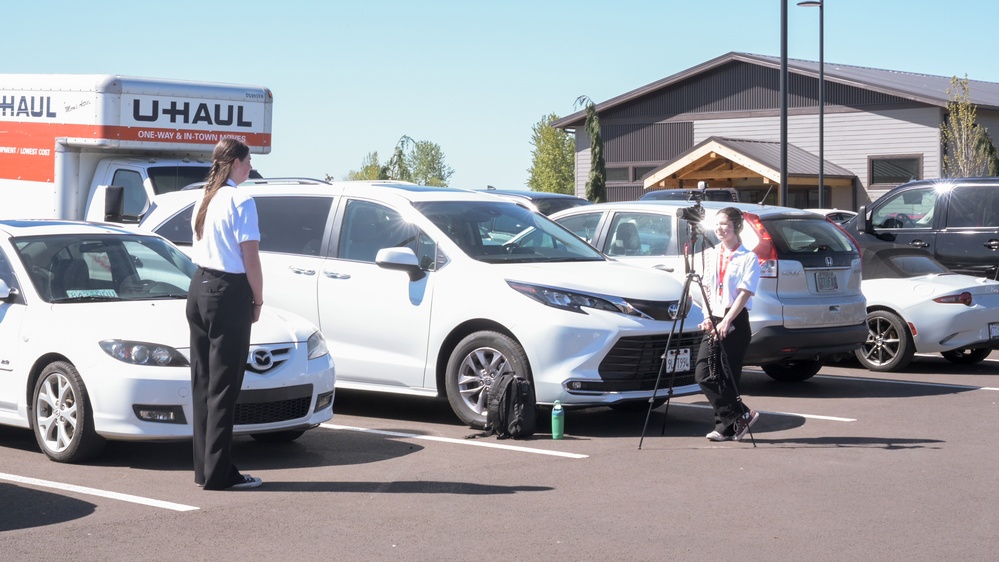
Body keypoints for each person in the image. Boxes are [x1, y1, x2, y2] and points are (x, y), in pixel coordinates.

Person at [186, 138, 264, 490]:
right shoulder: (241, 200)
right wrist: (258, 300)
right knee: (224, 387)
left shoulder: (205, 197)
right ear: (234, 163)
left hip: (199, 286)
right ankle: (219, 474)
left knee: (203, 383)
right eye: (247, 161)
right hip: (227, 292)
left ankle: (204, 470)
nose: (250, 166)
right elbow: (250, 258)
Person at [694, 207, 761, 442]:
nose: (720, 228)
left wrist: (728, 320)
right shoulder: (711, 254)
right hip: (714, 317)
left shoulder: (748, 257)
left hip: (735, 318)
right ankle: (741, 415)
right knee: (704, 373)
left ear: (736, 227)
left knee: (725, 375)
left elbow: (745, 293)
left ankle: (725, 427)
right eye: (717, 224)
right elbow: (706, 290)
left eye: (725, 224)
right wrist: (706, 316)